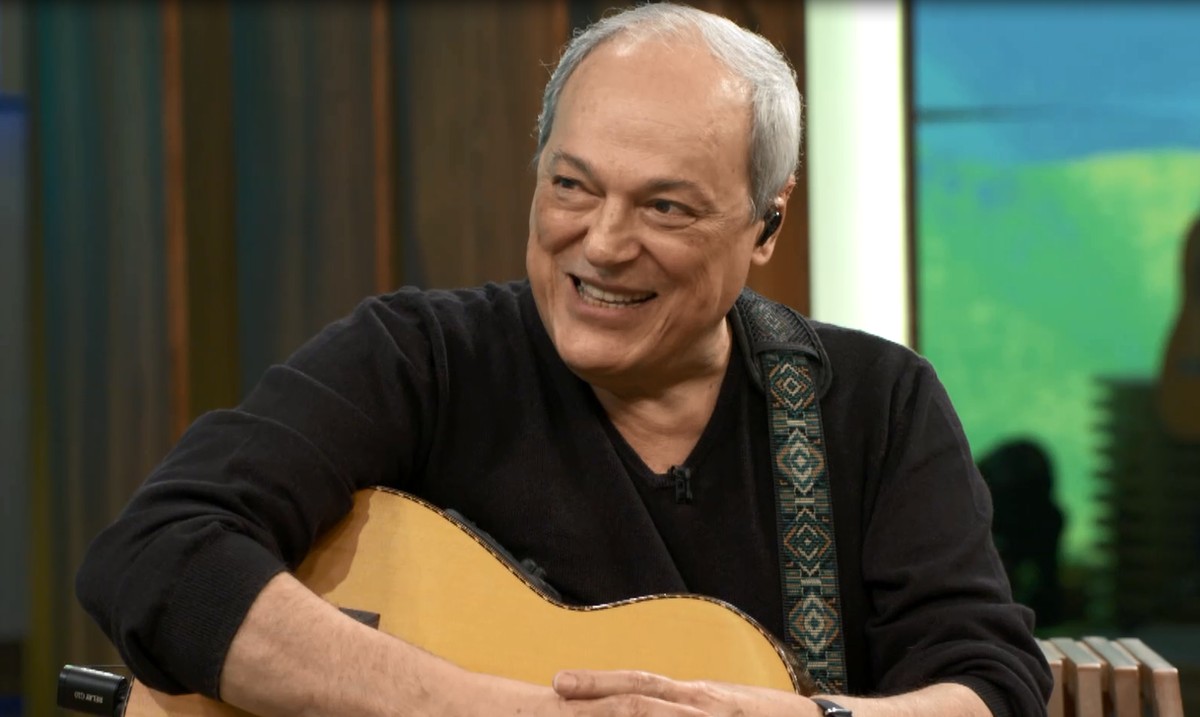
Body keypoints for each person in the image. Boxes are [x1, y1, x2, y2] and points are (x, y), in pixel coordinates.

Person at [76, 4, 1052, 716]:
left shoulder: (876, 404)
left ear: (766, 225)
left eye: (664, 206)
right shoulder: (421, 358)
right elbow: (158, 553)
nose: (603, 243)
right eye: (572, 186)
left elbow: (990, 684)